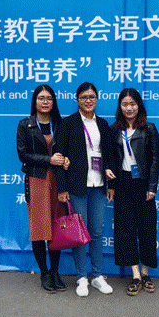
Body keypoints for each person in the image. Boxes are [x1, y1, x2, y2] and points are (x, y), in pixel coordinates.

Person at [54, 82, 116, 297]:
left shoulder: (103, 124)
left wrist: (111, 184)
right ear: (77, 100)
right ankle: (81, 277)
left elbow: (110, 155)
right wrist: (62, 188)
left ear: (97, 99)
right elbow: (59, 157)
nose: (88, 101)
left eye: (92, 97)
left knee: (96, 232)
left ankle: (97, 276)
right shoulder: (67, 123)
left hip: (99, 186)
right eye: (83, 97)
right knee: (79, 233)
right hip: (76, 186)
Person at [16, 85, 69, 293]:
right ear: (35, 101)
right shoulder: (25, 125)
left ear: (54, 102)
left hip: (58, 180)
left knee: (56, 227)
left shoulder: (60, 124)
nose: (45, 102)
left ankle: (55, 272)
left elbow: (67, 149)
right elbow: (23, 155)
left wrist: (66, 160)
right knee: (39, 228)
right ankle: (44, 273)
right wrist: (49, 160)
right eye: (41, 98)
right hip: (37, 180)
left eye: (49, 98)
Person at [110, 88, 159, 296]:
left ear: (139, 105)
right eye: (125, 104)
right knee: (126, 229)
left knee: (147, 229)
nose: (129, 108)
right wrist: (110, 183)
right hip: (122, 183)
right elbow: (110, 159)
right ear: (120, 107)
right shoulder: (114, 130)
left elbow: (155, 160)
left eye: (132, 104)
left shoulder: (149, 129)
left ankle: (146, 272)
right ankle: (135, 275)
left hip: (143, 184)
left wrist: (152, 187)